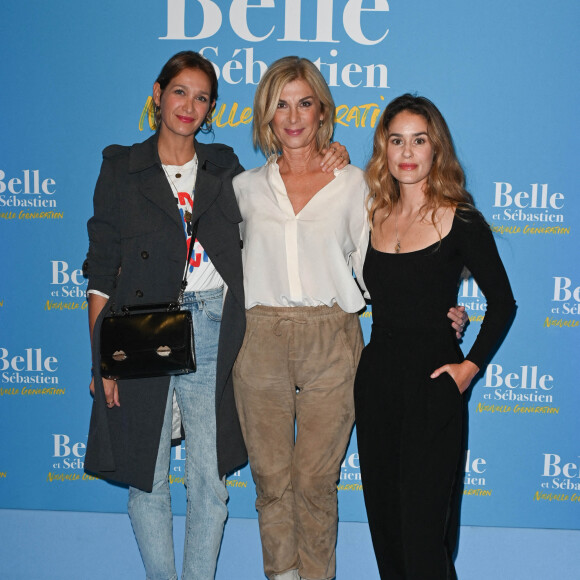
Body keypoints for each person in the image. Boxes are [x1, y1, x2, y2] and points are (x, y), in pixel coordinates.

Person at [83, 50, 348, 580]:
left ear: (211, 109)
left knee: (210, 480)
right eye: (179, 91)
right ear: (157, 96)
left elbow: (283, 188)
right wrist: (101, 360)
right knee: (147, 478)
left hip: (211, 323)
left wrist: (330, 151)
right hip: (138, 330)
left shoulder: (225, 167)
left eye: (201, 97)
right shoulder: (120, 167)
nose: (189, 105)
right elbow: (99, 273)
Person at [232, 60, 468, 580]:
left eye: (304, 102)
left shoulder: (356, 185)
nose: (293, 116)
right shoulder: (243, 188)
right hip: (261, 338)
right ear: (266, 115)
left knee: (316, 479)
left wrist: (441, 310)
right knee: (271, 480)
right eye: (281, 104)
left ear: (322, 111)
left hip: (333, 337)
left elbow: (391, 261)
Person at [354, 94, 516, 580]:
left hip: (434, 386)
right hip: (377, 383)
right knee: (387, 532)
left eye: (418, 140)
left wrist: (468, 370)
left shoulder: (458, 216)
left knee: (426, 537)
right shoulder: (371, 215)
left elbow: (504, 304)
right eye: (396, 140)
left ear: (435, 148)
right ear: (384, 148)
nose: (407, 152)